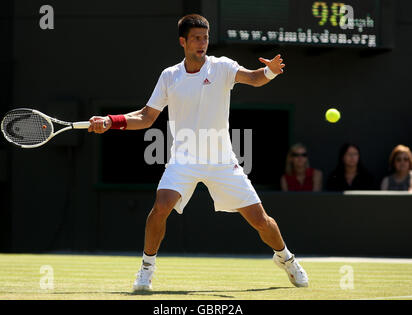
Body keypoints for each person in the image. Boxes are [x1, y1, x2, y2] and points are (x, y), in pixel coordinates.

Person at [87, 14, 308, 291]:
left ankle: (286, 259)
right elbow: (145, 117)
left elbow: (253, 78)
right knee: (160, 208)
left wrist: (271, 71)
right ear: (183, 41)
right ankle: (146, 268)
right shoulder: (170, 76)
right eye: (196, 38)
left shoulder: (222, 67)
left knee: (260, 221)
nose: (202, 43)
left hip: (221, 160)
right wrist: (111, 121)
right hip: (183, 161)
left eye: (205, 38)